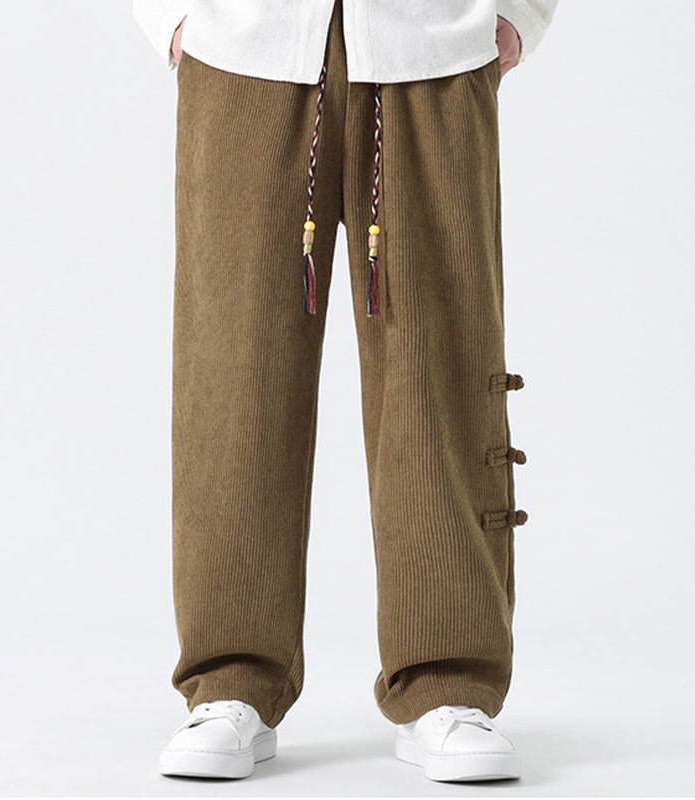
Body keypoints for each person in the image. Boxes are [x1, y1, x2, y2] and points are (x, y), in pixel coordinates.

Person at [134, 0, 557, 783]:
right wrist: (171, 15)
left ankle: (448, 681)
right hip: (243, 48)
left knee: (440, 366)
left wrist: (518, 10)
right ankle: (229, 679)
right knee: (231, 373)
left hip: (431, 44)